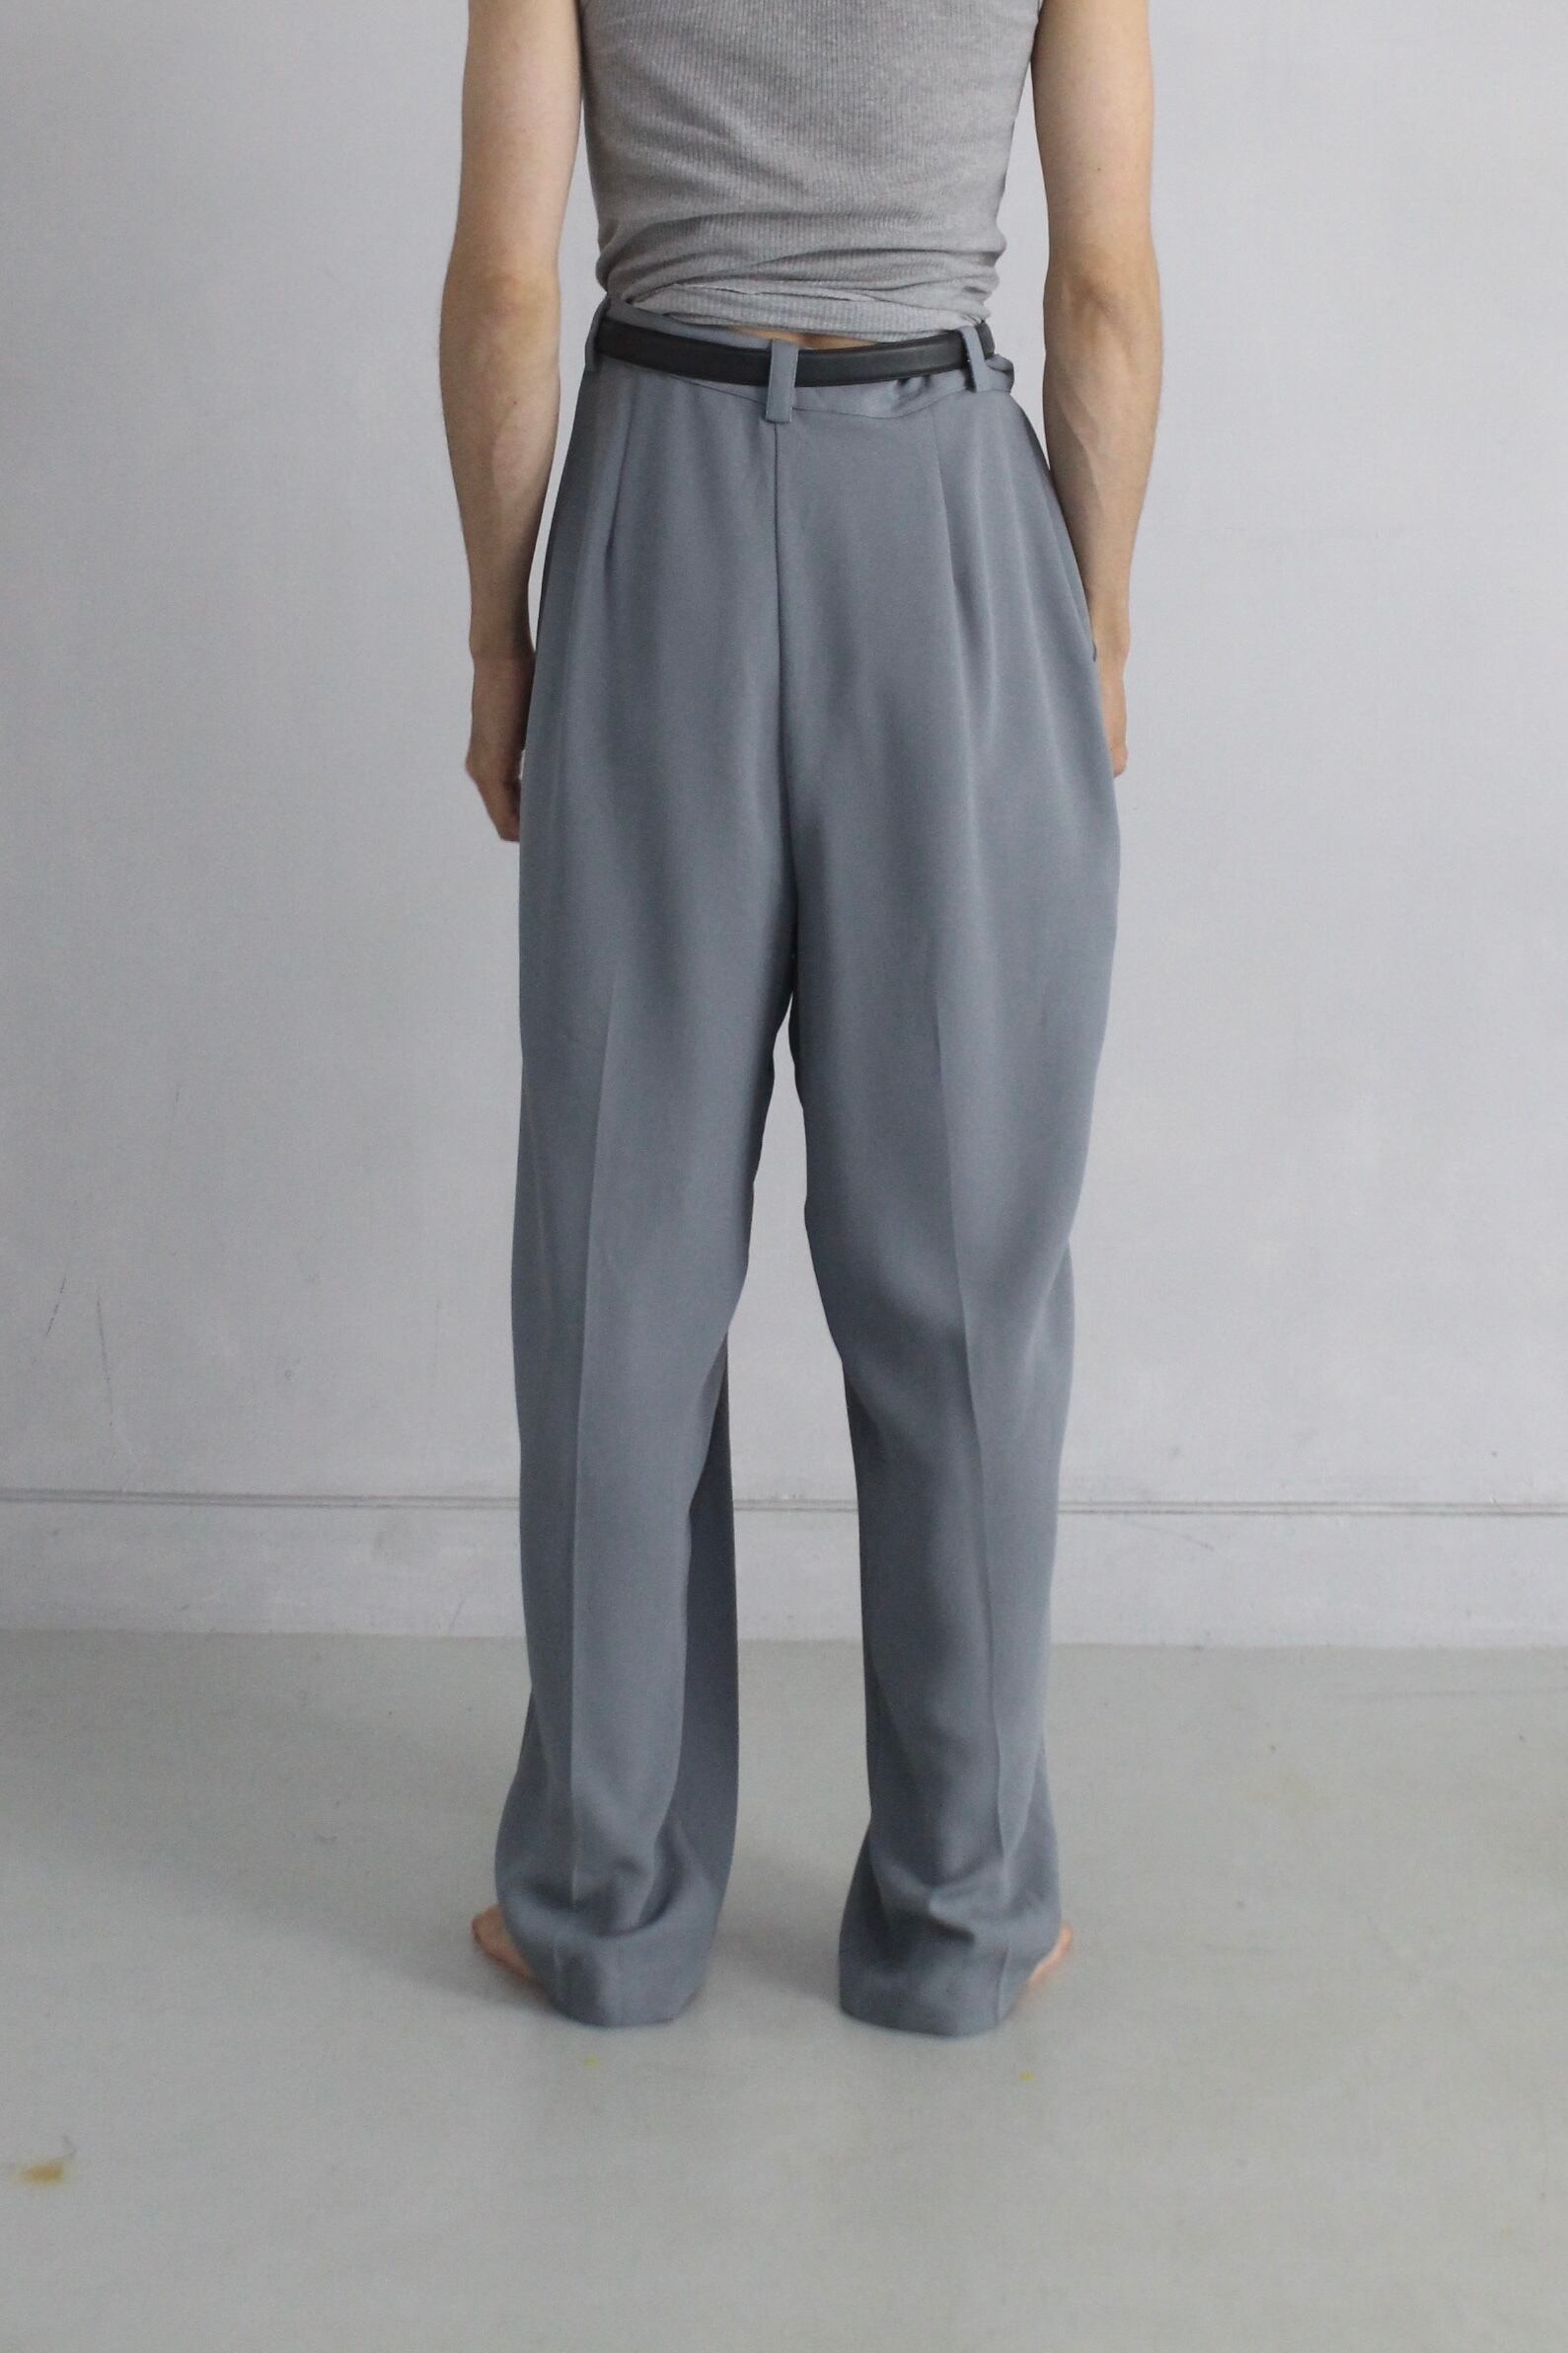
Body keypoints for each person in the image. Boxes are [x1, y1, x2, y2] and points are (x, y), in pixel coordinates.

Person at [440, 0, 1161, 2037]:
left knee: (620, 1258)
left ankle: (602, 1904)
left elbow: (506, 286)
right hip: (941, 520)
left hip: (654, 505)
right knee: (963, 1272)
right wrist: (1094, 626)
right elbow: (1102, 292)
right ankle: (962, 1913)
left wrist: (500, 636)